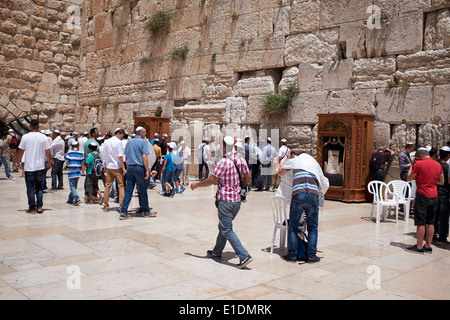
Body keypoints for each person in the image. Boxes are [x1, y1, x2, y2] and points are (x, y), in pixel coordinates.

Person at [191, 136, 253, 269]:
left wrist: (197, 184)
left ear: (224, 147)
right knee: (223, 226)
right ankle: (217, 252)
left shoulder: (223, 162)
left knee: (227, 228)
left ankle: (244, 255)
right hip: (237, 201)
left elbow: (211, 180)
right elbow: (248, 177)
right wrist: (241, 185)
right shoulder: (241, 160)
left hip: (225, 201)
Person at [277, 151, 329, 263]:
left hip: (298, 194)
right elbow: (324, 182)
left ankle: (292, 256)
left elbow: (280, 172)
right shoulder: (315, 164)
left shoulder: (295, 160)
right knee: (313, 228)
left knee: (293, 227)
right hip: (313, 195)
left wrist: (287, 158)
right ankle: (311, 256)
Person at [406, 149, 444, 254]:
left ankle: (419, 246)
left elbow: (409, 178)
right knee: (430, 222)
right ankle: (428, 245)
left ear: (421, 156)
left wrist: (411, 166)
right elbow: (441, 181)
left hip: (422, 195)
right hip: (434, 196)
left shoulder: (419, 163)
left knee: (420, 222)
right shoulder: (438, 164)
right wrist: (430, 181)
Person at [16, 119, 52, 214]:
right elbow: (47, 151)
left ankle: (32, 208)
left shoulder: (25, 137)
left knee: (30, 187)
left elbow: (20, 151)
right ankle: (39, 206)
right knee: (39, 187)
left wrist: (17, 162)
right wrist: (49, 162)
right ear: (38, 127)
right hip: (40, 166)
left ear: (30, 127)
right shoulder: (43, 137)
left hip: (29, 167)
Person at [120, 126, 154, 220]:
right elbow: (144, 157)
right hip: (139, 168)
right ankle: (146, 210)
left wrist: (128, 167)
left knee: (129, 190)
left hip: (130, 168)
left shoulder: (129, 142)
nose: (145, 134)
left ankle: (123, 211)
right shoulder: (143, 142)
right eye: (145, 133)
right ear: (142, 133)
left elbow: (126, 156)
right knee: (142, 190)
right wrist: (147, 170)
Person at [102, 128, 126, 213]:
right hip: (117, 167)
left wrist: (105, 166)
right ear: (119, 133)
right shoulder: (119, 142)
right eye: (122, 136)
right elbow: (120, 155)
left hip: (109, 167)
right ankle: (121, 206)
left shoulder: (106, 142)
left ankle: (106, 206)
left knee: (107, 186)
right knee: (121, 186)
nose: (122, 138)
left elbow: (104, 155)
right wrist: (123, 167)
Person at [435, 146, 450, 244]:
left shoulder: (435, 164)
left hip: (434, 192)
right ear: (448, 155)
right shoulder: (447, 167)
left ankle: (432, 234)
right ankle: (442, 237)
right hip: (444, 192)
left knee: (435, 215)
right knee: (444, 216)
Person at [65, 141, 84, 206]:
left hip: (71, 173)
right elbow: (83, 163)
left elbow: (67, 162)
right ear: (78, 146)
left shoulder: (69, 153)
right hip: (78, 172)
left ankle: (77, 198)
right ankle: (70, 199)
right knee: (74, 186)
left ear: (72, 147)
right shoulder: (81, 153)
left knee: (72, 187)